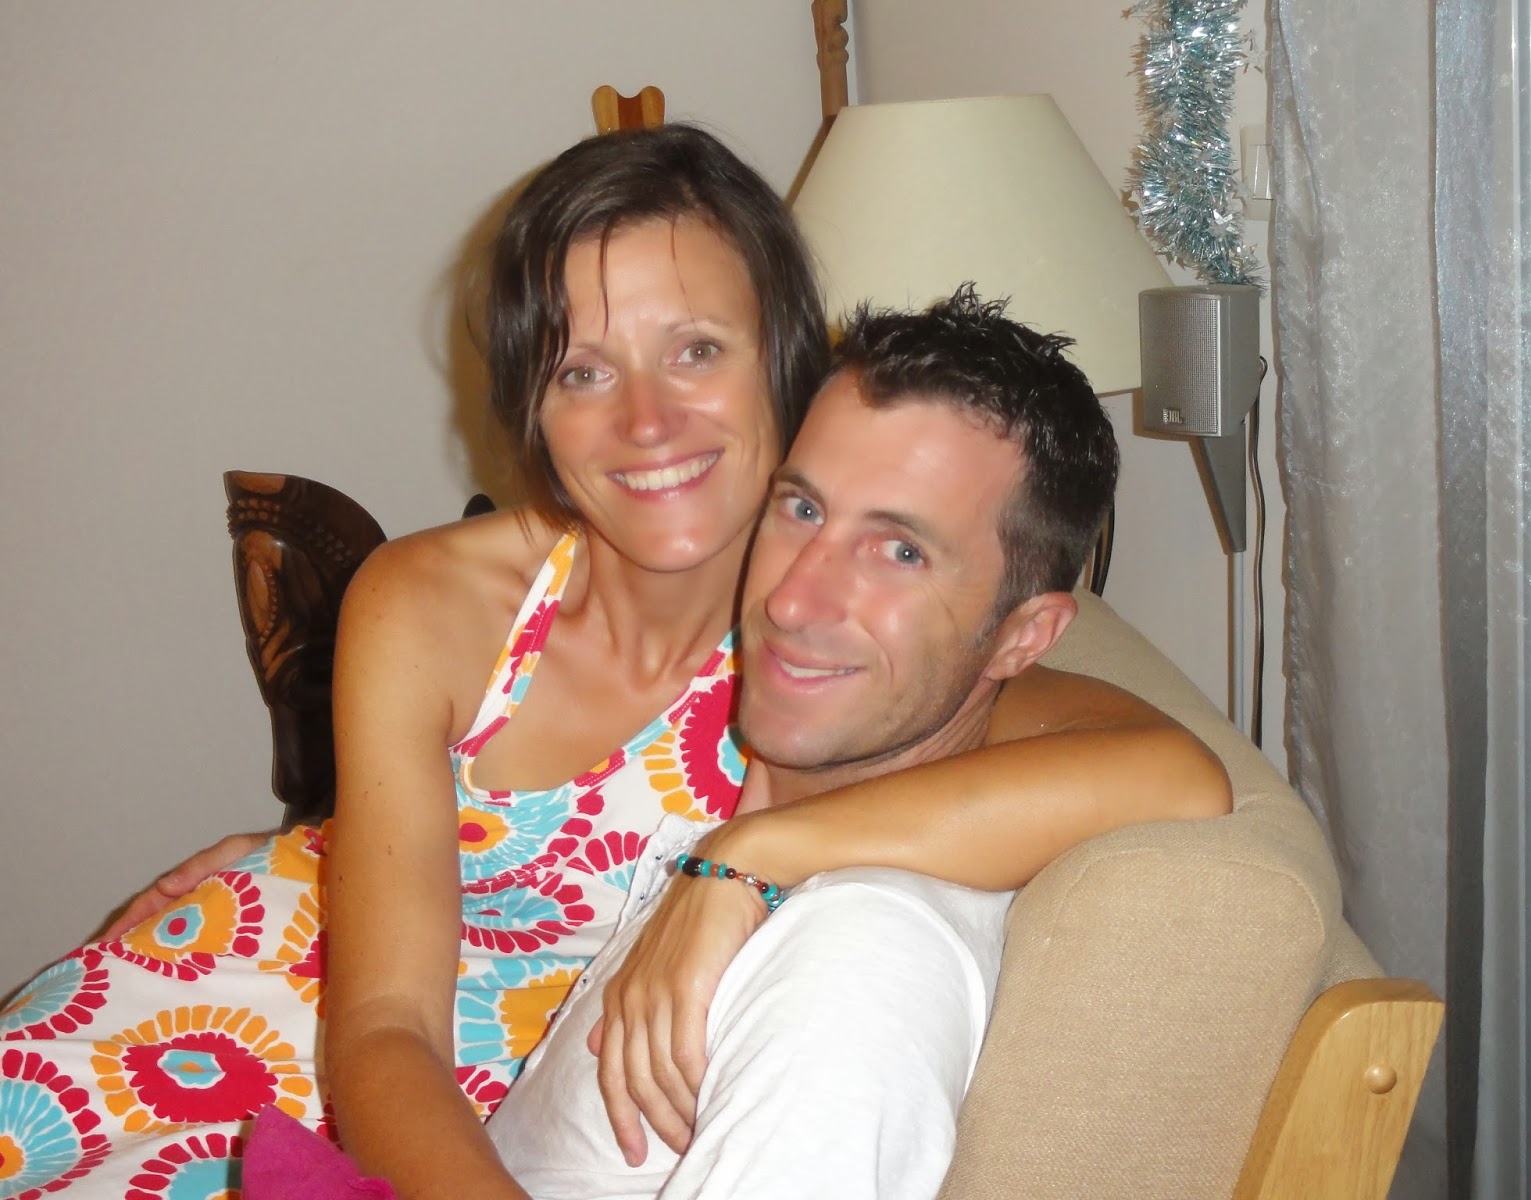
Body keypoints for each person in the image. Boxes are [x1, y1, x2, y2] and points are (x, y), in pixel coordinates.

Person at [0, 125, 1225, 1200]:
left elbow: (1171, 772)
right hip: (243, 1027)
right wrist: (323, 848)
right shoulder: (430, 601)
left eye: (695, 351)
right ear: (532, 409)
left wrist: (751, 857)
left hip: (499, 1105)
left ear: (783, 358)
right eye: (581, 371)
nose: (643, 422)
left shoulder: (824, 625)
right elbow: (380, 1029)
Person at [481, 288, 1130, 1199]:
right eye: (803, 510)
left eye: (901, 552)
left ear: (1024, 638)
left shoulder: (857, 957)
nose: (790, 601)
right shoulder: (765, 854)